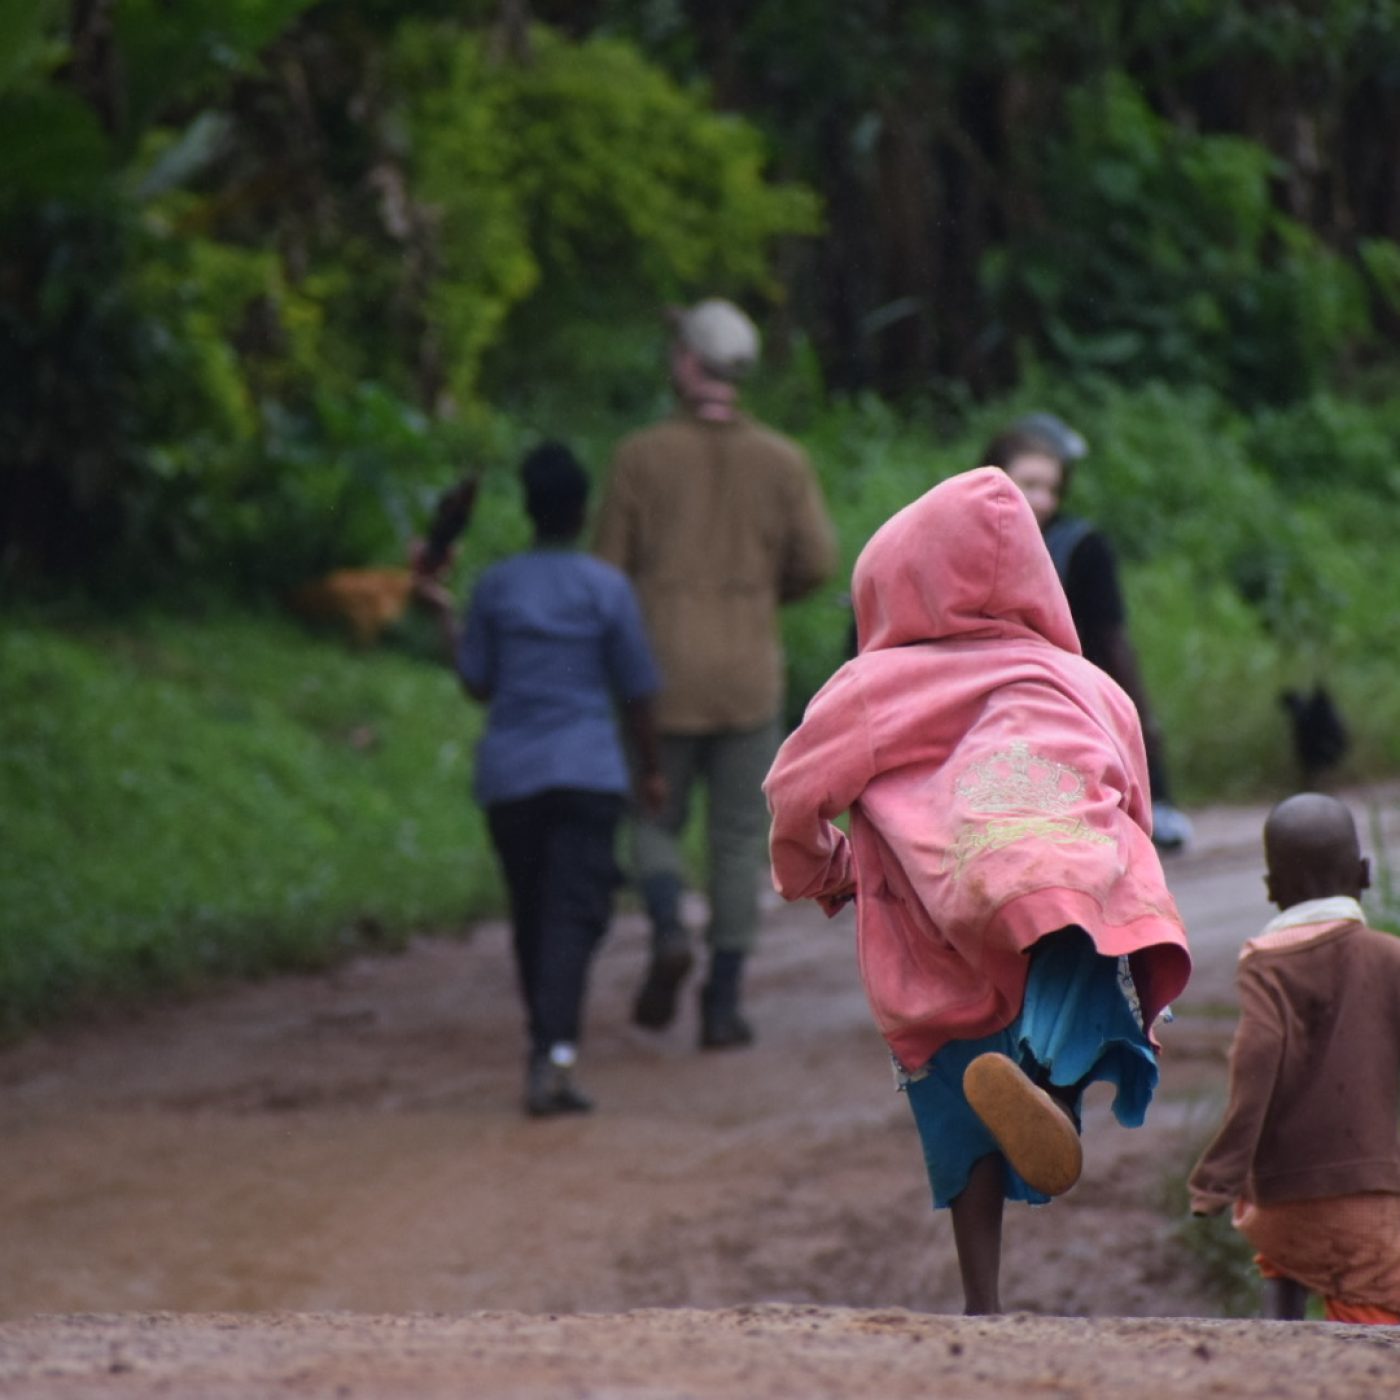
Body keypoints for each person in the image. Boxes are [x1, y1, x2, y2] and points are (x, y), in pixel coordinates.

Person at [763, 467, 1192, 1314]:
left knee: (959, 1096)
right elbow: (1135, 809)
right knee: (1075, 992)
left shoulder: (871, 689)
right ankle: (1058, 1106)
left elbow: (792, 794)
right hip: (1074, 890)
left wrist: (825, 869)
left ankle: (983, 1300)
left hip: (945, 912)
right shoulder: (1092, 686)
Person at [594, 298, 838, 1049]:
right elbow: (819, 564)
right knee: (737, 838)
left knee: (652, 818)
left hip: (659, 677)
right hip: (746, 678)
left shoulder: (641, 456)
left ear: (689, 364)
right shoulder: (782, 461)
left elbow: (606, 572)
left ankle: (668, 926)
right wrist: (762, 591)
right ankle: (723, 1003)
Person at [421, 442, 666, 1116]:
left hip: (513, 777)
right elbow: (638, 690)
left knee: (533, 913)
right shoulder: (605, 588)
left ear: (528, 508)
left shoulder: (498, 586)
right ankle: (553, 1052)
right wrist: (650, 770)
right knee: (576, 914)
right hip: (588, 771)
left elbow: (476, 682)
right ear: (582, 511)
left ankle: (548, 1048)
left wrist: (443, 613)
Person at [1188, 793, 1400, 1324]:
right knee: (1374, 1318)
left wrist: (1218, 1178)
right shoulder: (1388, 958)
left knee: (1283, 1252)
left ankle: (1275, 1348)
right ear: (1365, 873)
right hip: (1365, 1196)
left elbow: (1254, 1063)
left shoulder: (1265, 966)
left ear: (1270, 890)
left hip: (1276, 1199)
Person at [982, 414, 1193, 853]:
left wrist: (1138, 722)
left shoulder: (1081, 546)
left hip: (1065, 700)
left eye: (1051, 489)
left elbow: (1111, 639)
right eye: (1029, 484)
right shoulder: (959, 542)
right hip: (985, 699)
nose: (1041, 499)